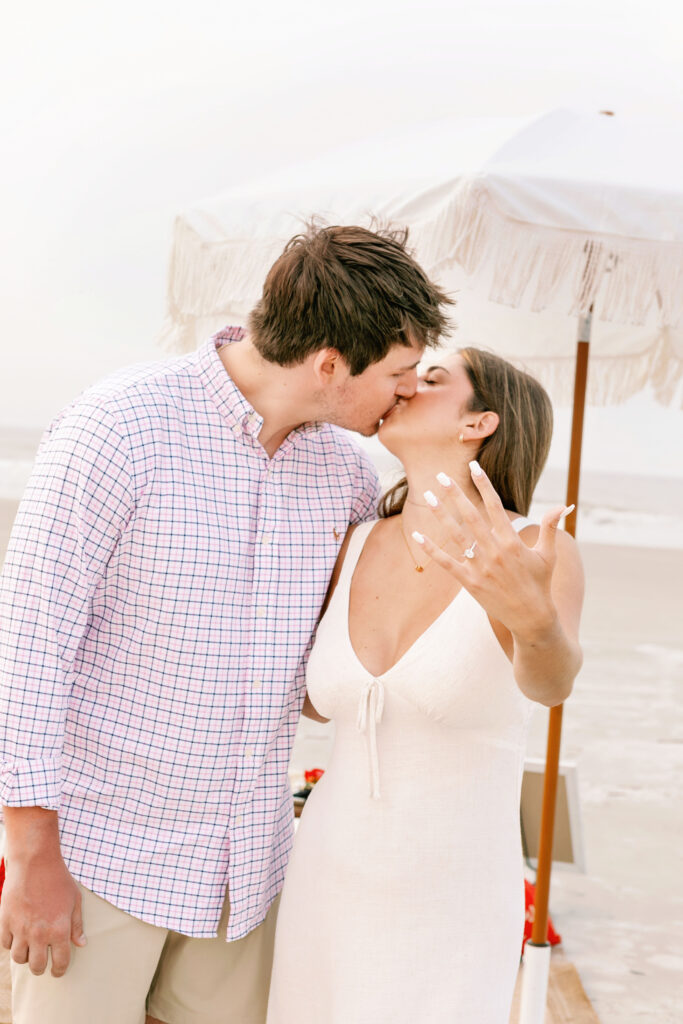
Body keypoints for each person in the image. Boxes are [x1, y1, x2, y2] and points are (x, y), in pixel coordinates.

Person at [0, 223, 451, 1024]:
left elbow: (339, 667)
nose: (409, 391)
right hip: (100, 863)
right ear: (329, 365)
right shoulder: (118, 428)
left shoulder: (345, 472)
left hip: (248, 879)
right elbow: (28, 650)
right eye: (400, 372)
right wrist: (30, 855)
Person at [266, 347, 585, 1024]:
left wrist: (533, 621)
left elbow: (550, 683)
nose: (407, 385)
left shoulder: (530, 553)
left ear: (480, 423)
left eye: (434, 380)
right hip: (322, 883)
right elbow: (314, 701)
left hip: (451, 902)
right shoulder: (351, 544)